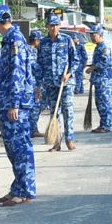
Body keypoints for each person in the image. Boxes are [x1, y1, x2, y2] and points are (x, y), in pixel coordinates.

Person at [0, 4, 37, 205]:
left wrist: (14, 104)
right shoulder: (9, 39)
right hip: (7, 102)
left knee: (20, 147)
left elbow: (17, 74)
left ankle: (25, 190)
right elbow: (5, 76)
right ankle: (18, 186)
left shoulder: (15, 41)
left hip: (16, 104)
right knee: (12, 147)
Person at [35, 13, 84, 150]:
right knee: (54, 113)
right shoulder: (43, 43)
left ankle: (69, 139)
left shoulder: (67, 40)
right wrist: (38, 85)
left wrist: (69, 74)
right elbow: (39, 66)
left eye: (56, 25)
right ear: (47, 26)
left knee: (67, 110)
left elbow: (75, 60)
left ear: (59, 26)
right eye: (51, 25)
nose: (54, 28)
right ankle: (56, 141)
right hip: (50, 84)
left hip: (65, 83)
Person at [88, 28, 112, 132]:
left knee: (104, 102)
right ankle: (103, 124)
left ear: (100, 35)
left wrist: (93, 68)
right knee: (99, 103)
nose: (92, 37)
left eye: (94, 35)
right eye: (91, 35)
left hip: (104, 79)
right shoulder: (98, 47)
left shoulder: (104, 47)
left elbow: (106, 62)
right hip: (98, 79)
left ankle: (106, 125)